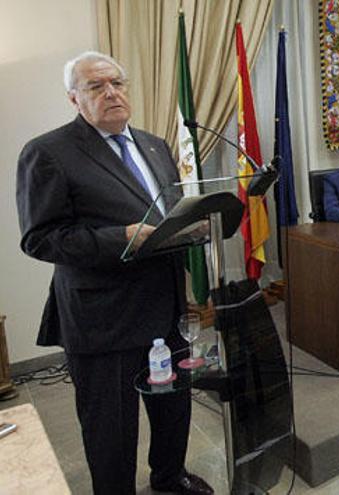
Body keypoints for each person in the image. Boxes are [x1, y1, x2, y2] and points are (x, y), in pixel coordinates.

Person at [16, 52, 212, 494]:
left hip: (166, 304)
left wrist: (186, 225)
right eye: (96, 86)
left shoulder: (154, 144)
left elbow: (163, 213)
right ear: (74, 98)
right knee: (111, 425)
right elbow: (41, 238)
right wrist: (121, 237)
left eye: (118, 83)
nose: (112, 93)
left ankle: (169, 476)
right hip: (103, 316)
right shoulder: (47, 152)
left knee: (173, 404)